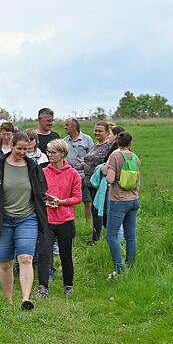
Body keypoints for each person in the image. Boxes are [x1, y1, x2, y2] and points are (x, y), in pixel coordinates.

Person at [0, 131, 48, 310]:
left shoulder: (33, 167)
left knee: (26, 258)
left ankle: (26, 299)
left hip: (27, 218)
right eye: (19, 148)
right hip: (3, 220)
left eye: (26, 149)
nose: (22, 152)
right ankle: (9, 300)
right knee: (5, 263)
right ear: (11, 146)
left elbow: (42, 189)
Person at [36, 139, 82, 298]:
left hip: (66, 220)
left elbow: (78, 197)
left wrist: (62, 202)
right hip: (47, 220)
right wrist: (45, 200)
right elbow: (37, 194)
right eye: (48, 151)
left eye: (53, 152)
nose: (49, 155)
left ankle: (68, 286)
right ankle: (43, 288)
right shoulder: (43, 172)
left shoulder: (73, 174)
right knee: (43, 254)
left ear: (62, 154)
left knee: (65, 254)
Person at [102, 131, 141, 279]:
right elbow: (138, 182)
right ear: (131, 143)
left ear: (118, 142)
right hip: (133, 200)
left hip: (118, 200)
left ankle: (119, 269)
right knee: (131, 236)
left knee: (111, 235)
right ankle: (130, 267)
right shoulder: (135, 157)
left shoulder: (115, 156)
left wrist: (105, 172)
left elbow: (111, 179)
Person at [83, 121, 116, 245]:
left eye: (100, 131)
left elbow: (108, 164)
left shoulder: (109, 147)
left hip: (100, 183)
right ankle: (113, 235)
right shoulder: (96, 145)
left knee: (98, 210)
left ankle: (96, 239)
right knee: (96, 210)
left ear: (107, 132)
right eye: (95, 130)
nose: (96, 132)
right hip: (89, 182)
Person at [63, 117, 94, 221]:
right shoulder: (64, 141)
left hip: (83, 174)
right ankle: (70, 220)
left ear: (74, 126)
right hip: (69, 175)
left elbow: (93, 156)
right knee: (69, 199)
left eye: (67, 125)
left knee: (87, 200)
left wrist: (86, 163)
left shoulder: (87, 139)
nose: (65, 127)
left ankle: (88, 223)